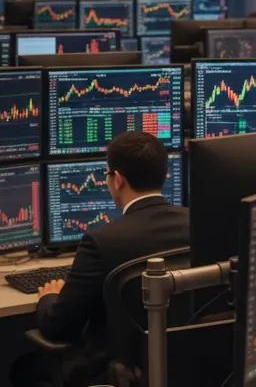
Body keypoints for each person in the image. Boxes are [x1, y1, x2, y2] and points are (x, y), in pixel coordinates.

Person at [36, 132, 189, 352]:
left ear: (118, 180)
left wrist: (49, 297)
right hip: (188, 367)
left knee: (24, 371)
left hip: (116, 376)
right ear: (165, 174)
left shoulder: (100, 241)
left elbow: (59, 327)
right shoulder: (198, 224)